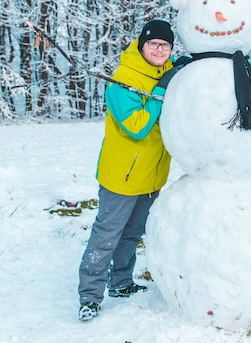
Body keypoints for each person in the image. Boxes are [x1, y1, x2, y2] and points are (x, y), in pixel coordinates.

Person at [78, 19, 180, 322]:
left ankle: (120, 282)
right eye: (154, 44)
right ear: (142, 45)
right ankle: (90, 296)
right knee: (107, 234)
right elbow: (137, 126)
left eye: (165, 45)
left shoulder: (167, 72)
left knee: (132, 233)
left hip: (152, 173)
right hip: (122, 175)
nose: (160, 50)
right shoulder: (124, 78)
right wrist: (161, 92)